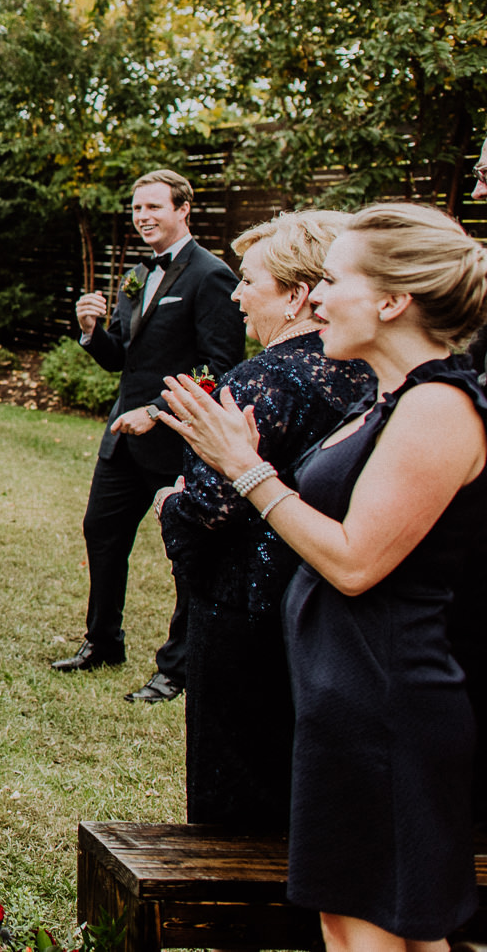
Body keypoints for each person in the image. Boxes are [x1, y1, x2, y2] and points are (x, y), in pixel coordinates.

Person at [161, 202, 487, 952]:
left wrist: (244, 469)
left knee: (380, 931)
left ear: (391, 300)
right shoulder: (390, 399)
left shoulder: (439, 406)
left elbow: (353, 560)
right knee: (354, 925)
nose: (317, 297)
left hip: (388, 703)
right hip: (347, 696)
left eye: (333, 280)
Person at [156, 210, 371, 830]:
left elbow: (209, 510)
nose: (237, 294)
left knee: (240, 799)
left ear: (297, 295)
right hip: (329, 615)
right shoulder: (368, 375)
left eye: (249, 280)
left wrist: (172, 505)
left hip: (245, 613)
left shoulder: (261, 379)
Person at [54, 168, 245, 704]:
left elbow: (219, 367)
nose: (143, 218)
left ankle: (178, 667)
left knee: (185, 555)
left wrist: (158, 411)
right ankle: (103, 643)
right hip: (124, 439)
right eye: (137, 209)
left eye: (154, 208)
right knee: (102, 532)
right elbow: (123, 357)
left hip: (177, 440)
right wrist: (92, 333)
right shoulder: (135, 275)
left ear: (184, 209)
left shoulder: (211, 276)